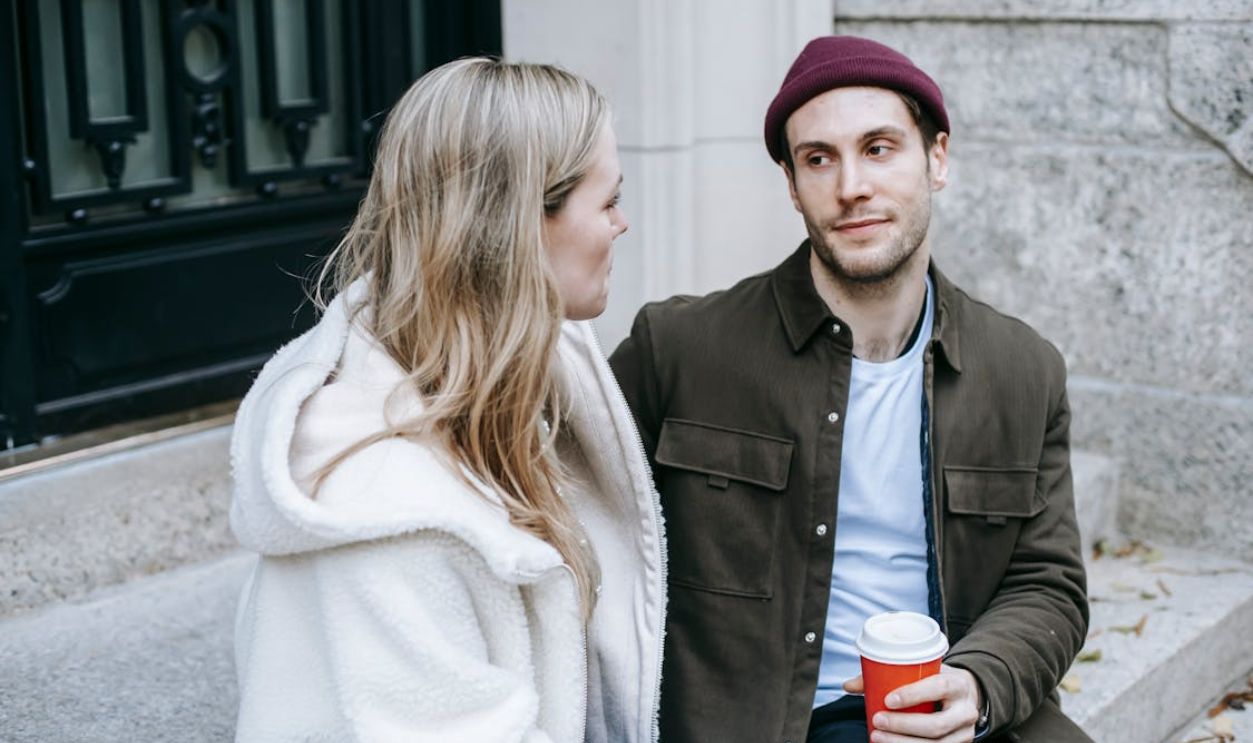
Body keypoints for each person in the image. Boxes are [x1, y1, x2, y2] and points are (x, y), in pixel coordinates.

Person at [609, 36, 1090, 743]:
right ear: (791, 184)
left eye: (878, 148)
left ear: (936, 158)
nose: (850, 187)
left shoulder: (1021, 369)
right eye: (817, 159)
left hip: (947, 712)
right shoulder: (678, 349)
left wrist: (979, 682)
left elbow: (1047, 583)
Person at [229, 57, 666, 743]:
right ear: (519, 226)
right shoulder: (382, 516)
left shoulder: (511, 399)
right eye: (607, 200)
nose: (622, 224)